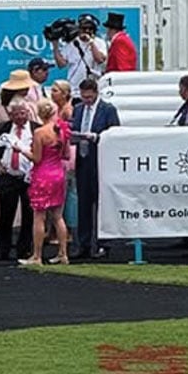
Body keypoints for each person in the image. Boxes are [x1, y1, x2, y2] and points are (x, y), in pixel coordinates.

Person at [71, 77, 120, 262]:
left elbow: (115, 135)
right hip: (83, 161)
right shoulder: (78, 109)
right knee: (83, 204)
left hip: (101, 161)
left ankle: (103, 244)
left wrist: (97, 137)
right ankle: (83, 244)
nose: (87, 101)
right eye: (84, 97)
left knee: (102, 205)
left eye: (90, 97)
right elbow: (74, 129)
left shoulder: (108, 110)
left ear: (96, 93)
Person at [0, 98, 34, 262]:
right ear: (10, 115)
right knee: (6, 215)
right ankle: (3, 249)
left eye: (23, 113)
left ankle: (24, 249)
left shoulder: (35, 129)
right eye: (16, 114)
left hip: (28, 177)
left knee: (29, 214)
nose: (20, 117)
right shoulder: (2, 129)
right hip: (8, 176)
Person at [21, 99, 72, 268]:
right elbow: (66, 155)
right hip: (58, 173)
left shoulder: (40, 133)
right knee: (58, 216)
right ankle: (63, 253)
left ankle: (37, 255)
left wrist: (21, 149)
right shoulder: (62, 131)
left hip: (43, 175)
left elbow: (37, 158)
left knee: (39, 216)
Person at [53, 13, 107, 92]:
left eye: (90, 28)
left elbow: (100, 60)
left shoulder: (99, 42)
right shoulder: (72, 43)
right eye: (84, 28)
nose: (87, 31)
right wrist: (55, 46)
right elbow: (61, 64)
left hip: (94, 87)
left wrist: (91, 42)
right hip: (74, 87)